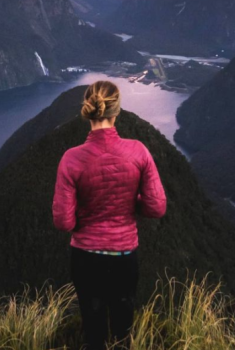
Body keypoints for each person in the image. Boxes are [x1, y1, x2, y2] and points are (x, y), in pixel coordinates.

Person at [52, 80, 167, 350]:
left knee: (93, 328)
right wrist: (130, 202)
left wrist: (87, 208)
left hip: (85, 258)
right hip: (124, 256)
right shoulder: (138, 151)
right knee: (123, 326)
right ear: (116, 112)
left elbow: (63, 221)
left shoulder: (71, 158)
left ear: (87, 111)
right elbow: (156, 207)